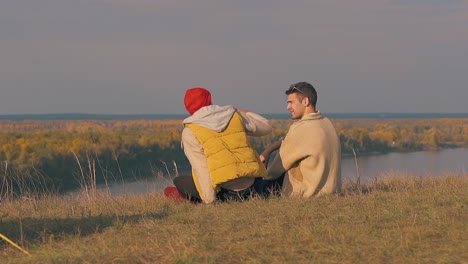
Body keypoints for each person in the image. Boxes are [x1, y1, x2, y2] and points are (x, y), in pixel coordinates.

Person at [171, 87, 272, 203]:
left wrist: (210, 201)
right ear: (209, 99)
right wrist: (240, 111)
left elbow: (202, 168)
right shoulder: (233, 115)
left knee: (180, 182)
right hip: (255, 186)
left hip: (227, 193)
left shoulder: (190, 131)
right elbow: (266, 127)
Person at [259, 81, 341, 198]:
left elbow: (275, 170)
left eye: (291, 102)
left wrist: (263, 163)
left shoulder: (301, 128)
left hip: (309, 195)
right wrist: (270, 150)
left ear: (306, 101)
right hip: (332, 192)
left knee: (255, 185)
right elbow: (286, 140)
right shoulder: (326, 123)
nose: (288, 107)